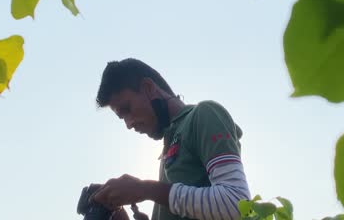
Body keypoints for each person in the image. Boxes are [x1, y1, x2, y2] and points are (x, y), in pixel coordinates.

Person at [92, 58, 251, 220]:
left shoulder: (203, 115)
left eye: (127, 109)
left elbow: (236, 203)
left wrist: (144, 189)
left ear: (149, 88)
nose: (129, 124)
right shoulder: (168, 147)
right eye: (122, 117)